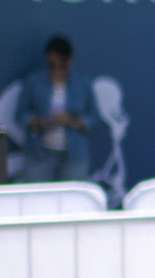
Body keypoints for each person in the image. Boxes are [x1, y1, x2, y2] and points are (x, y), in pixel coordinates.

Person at [16, 36, 99, 182]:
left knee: (72, 195)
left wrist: (71, 120)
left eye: (62, 65)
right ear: (47, 59)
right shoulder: (33, 81)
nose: (57, 70)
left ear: (70, 60)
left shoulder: (83, 82)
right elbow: (20, 115)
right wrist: (39, 122)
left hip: (74, 155)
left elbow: (94, 117)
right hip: (40, 154)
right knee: (38, 194)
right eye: (52, 65)